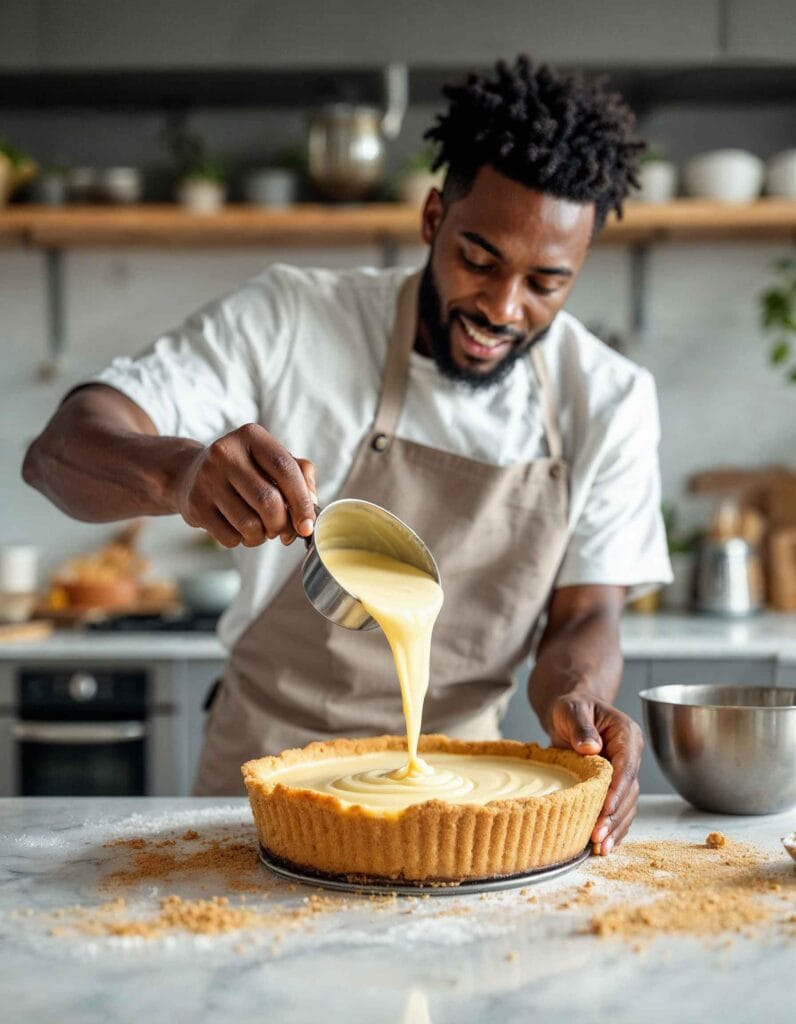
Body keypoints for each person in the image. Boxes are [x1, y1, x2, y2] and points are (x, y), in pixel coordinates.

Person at [23, 56, 671, 854]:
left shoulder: (607, 398)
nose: (503, 308)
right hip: (259, 781)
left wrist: (576, 695)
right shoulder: (293, 320)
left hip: (457, 801)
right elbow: (58, 451)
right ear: (434, 217)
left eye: (546, 282)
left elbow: (587, 611)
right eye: (479, 258)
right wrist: (180, 473)